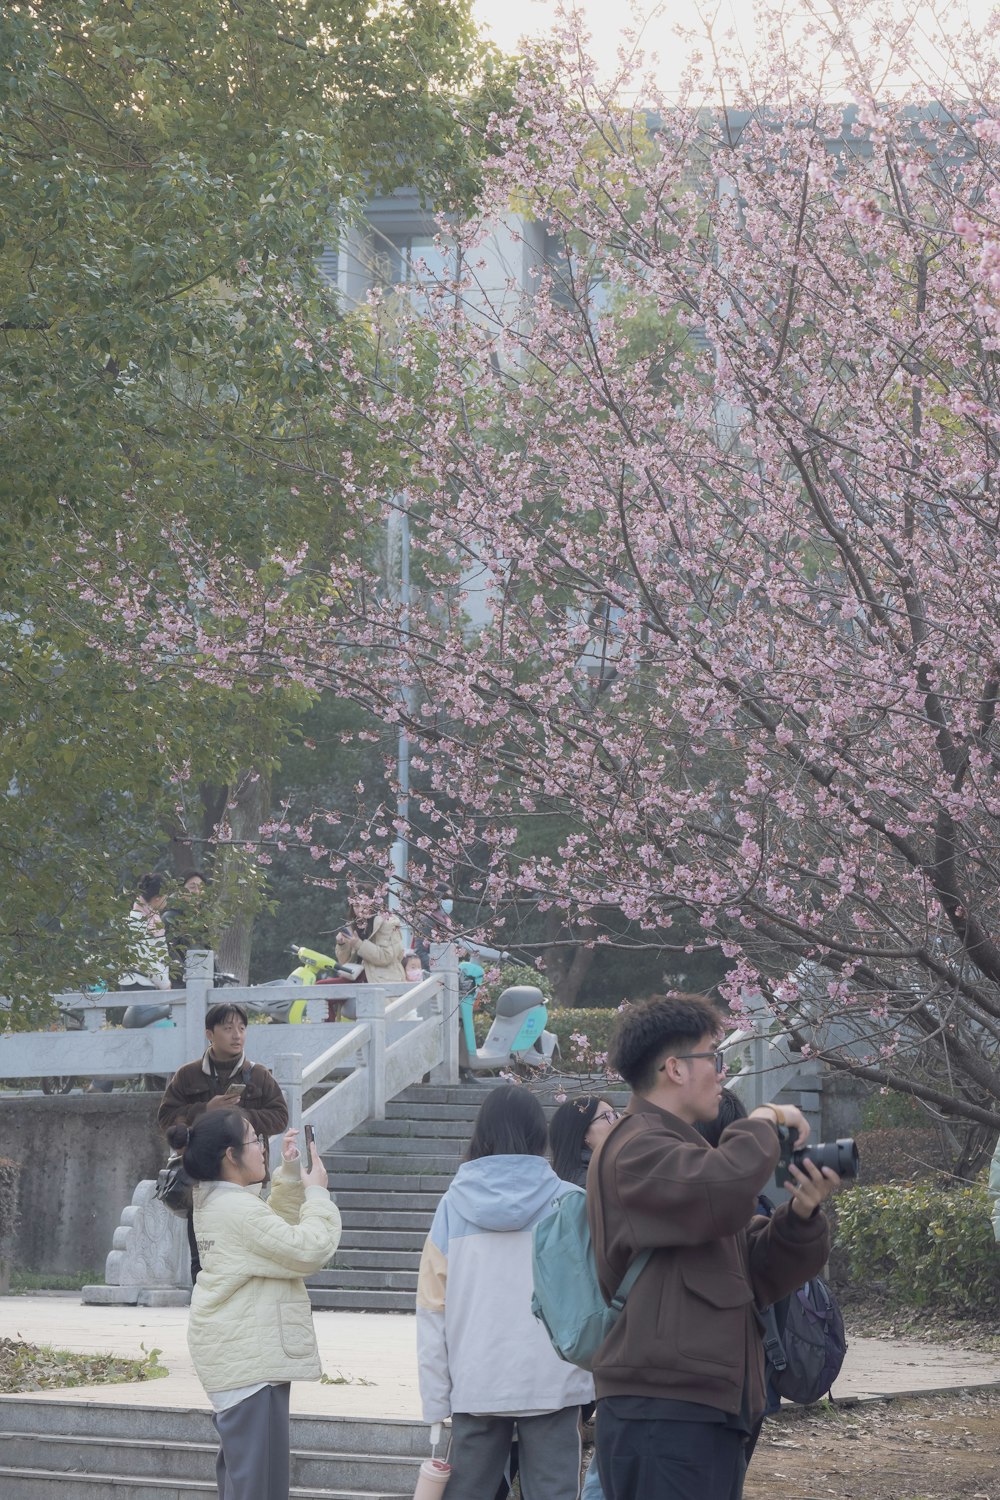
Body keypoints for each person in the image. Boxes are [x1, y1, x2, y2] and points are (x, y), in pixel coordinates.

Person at [588, 993, 840, 1500]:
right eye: (714, 1057)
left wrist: (801, 1216)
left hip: (696, 1405)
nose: (722, 1073)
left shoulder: (676, 1150)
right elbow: (723, 1188)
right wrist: (765, 1119)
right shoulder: (636, 1146)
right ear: (675, 1068)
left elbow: (750, 1270)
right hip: (663, 1408)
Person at [416, 1085, 594, 1500]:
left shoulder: (452, 1206)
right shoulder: (572, 1203)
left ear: (482, 1134)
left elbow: (431, 1309)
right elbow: (593, 1299)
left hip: (475, 1380)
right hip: (555, 1380)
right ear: (539, 1135)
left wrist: (435, 1400)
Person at [170, 1108, 340, 1500]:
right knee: (259, 1488)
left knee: (248, 1483)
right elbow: (306, 1250)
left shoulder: (221, 1200)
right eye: (254, 1140)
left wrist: (291, 1176)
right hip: (250, 1365)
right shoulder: (236, 1208)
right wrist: (317, 1193)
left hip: (244, 1360)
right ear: (230, 1155)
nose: (263, 1148)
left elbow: (269, 1241)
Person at [158, 1003, 289, 1280]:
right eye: (228, 1028)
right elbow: (166, 1118)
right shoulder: (187, 1075)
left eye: (241, 1029)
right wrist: (206, 1110)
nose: (236, 1035)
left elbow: (279, 1117)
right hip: (201, 1176)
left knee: (244, 1243)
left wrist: (235, 1119)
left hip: (246, 1178)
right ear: (210, 1034)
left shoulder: (259, 1075)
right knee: (203, 1249)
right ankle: (203, 1298)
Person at [550, 1096, 621, 1188]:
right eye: (607, 1116)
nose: (618, 1121)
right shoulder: (588, 1183)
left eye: (615, 1115)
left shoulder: (608, 1170)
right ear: (582, 1132)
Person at [334, 898, 405, 984]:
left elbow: (386, 957)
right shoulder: (352, 925)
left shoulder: (387, 923)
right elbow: (344, 963)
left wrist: (359, 945)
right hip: (356, 977)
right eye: (356, 905)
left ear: (373, 904)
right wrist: (342, 945)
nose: (360, 909)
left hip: (383, 980)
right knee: (322, 986)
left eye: (364, 905)